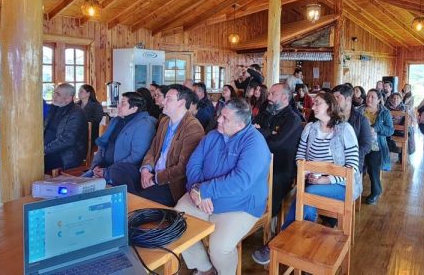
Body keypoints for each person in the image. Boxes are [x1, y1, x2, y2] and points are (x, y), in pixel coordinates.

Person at [176, 98, 271, 275]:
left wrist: (204, 190)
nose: (218, 119)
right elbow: (193, 164)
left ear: (240, 125)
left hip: (239, 205)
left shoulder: (255, 144)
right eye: (220, 115)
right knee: (176, 224)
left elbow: (240, 180)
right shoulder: (213, 135)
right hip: (202, 197)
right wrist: (197, 189)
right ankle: (205, 269)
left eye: (225, 118)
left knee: (219, 247)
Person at [277, 93, 361, 242]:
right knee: (307, 196)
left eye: (317, 103)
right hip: (312, 180)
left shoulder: (344, 129)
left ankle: (286, 237)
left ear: (330, 106)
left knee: (307, 194)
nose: (313, 106)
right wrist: (307, 172)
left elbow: (353, 166)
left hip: (341, 185)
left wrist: (326, 179)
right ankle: (304, 241)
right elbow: (300, 155)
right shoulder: (310, 128)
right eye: (314, 103)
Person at [108, 85, 204, 206]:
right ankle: (134, 200)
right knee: (117, 169)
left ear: (181, 103)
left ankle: (134, 201)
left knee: (136, 192)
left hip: (169, 184)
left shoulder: (192, 127)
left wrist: (155, 179)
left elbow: (183, 168)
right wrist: (145, 170)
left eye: (168, 98)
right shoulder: (165, 121)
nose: (163, 101)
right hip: (152, 173)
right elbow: (152, 150)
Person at [250, 84, 304, 265]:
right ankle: (247, 222)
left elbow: (277, 143)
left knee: (271, 189)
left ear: (285, 98)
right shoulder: (266, 112)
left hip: (282, 168)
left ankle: (267, 230)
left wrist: (262, 131)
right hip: (258, 163)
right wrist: (268, 132)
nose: (269, 96)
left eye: (273, 93)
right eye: (270, 92)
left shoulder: (293, 118)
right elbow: (251, 132)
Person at [85, 92, 156, 178]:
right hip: (102, 168)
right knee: (76, 185)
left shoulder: (144, 124)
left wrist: (109, 171)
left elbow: (136, 156)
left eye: (123, 104)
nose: (118, 106)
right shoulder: (116, 121)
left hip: (121, 173)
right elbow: (102, 145)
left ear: (134, 108)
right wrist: (96, 166)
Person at [0, 100, 50, 180]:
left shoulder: (43, 107)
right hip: (9, 144)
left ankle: (12, 185)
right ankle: (8, 183)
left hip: (28, 148)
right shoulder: (11, 104)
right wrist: (1, 137)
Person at [44, 83, 88, 171]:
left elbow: (67, 140)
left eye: (58, 94)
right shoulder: (54, 108)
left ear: (68, 99)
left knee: (32, 163)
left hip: (66, 155)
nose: (54, 96)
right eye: (54, 93)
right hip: (49, 149)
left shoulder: (77, 113)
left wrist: (44, 150)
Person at [361, 90, 393, 205]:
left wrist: (376, 129)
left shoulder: (385, 112)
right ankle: (353, 189)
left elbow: (390, 130)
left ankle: (376, 191)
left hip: (376, 145)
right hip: (360, 144)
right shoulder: (359, 110)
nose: (369, 99)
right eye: (368, 96)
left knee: (373, 164)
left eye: (373, 97)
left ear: (379, 100)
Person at [332, 84, 372, 170]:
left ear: (348, 99)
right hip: (330, 160)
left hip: (353, 162)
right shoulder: (330, 118)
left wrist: (349, 156)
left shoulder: (361, 120)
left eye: (338, 97)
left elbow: (366, 145)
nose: (334, 101)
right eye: (333, 98)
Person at [384, 93, 416, 159]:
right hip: (388, 130)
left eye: (397, 98)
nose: (395, 100)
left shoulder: (405, 108)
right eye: (393, 98)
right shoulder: (385, 108)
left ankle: (402, 156)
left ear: (401, 100)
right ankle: (386, 156)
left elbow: (412, 118)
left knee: (408, 132)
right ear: (390, 99)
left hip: (400, 131)